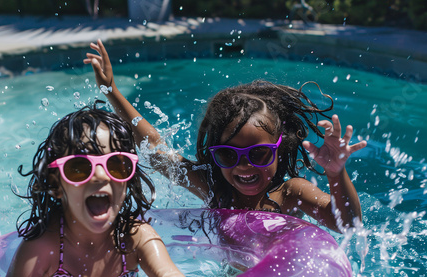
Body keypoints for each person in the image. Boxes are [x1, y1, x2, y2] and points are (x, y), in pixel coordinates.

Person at [84, 40, 368, 233]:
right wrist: (112, 91)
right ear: (214, 155)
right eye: (227, 155)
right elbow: (155, 150)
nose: (244, 165)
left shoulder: (291, 193)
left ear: (279, 148)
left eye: (258, 154)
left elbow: (350, 224)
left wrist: (336, 174)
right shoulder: (215, 189)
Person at [0, 105, 224, 277]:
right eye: (79, 168)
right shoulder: (43, 248)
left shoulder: (136, 237)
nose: (102, 176)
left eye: (116, 165)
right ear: (55, 185)